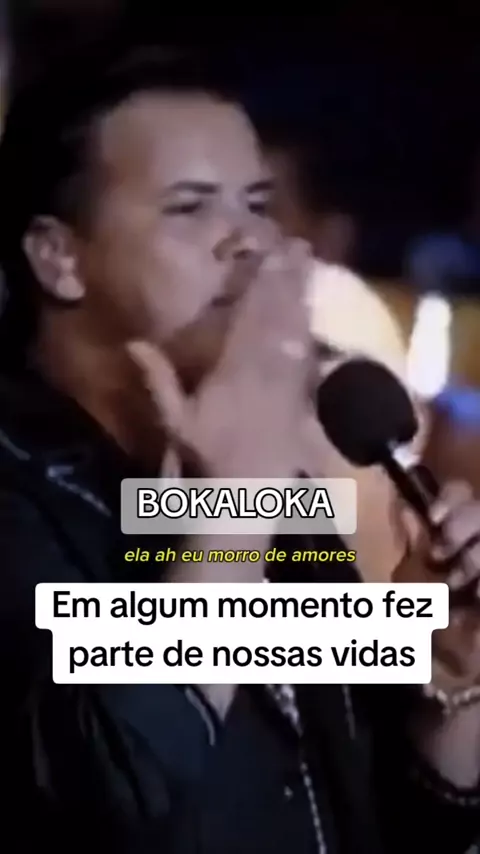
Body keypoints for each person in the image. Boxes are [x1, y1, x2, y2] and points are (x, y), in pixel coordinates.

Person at [1, 46, 480, 854]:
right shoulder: (23, 491)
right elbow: (110, 792)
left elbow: (382, 820)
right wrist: (234, 506)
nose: (250, 240)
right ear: (59, 256)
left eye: (258, 203)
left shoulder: (267, 485)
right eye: (190, 208)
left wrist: (446, 675)